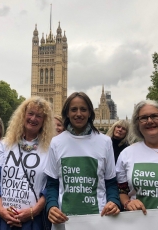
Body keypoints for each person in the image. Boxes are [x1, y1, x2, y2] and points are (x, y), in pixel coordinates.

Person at [45, 92, 120, 229]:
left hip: (98, 220)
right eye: (74, 109)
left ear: (90, 113)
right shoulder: (56, 143)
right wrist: (51, 207)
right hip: (64, 221)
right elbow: (52, 184)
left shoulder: (105, 142)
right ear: (67, 113)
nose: (78, 114)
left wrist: (114, 201)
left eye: (83, 109)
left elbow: (111, 182)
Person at [0, 97, 54, 230]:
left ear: (44, 121)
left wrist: (33, 212)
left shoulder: (51, 148)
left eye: (39, 116)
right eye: (30, 113)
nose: (33, 119)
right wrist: (1, 210)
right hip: (3, 221)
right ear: (23, 115)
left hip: (33, 222)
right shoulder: (6, 144)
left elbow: (51, 186)